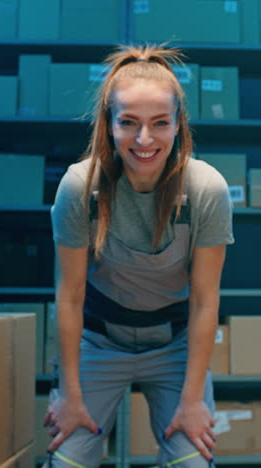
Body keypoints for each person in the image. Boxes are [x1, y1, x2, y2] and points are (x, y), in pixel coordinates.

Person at [44, 44, 234, 468]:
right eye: (128, 123)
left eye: (159, 123)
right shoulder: (80, 187)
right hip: (98, 342)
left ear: (178, 125)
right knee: (67, 463)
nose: (144, 140)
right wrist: (70, 395)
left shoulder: (206, 189)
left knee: (193, 462)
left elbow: (205, 302)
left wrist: (191, 403)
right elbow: (70, 295)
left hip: (175, 346)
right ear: (108, 125)